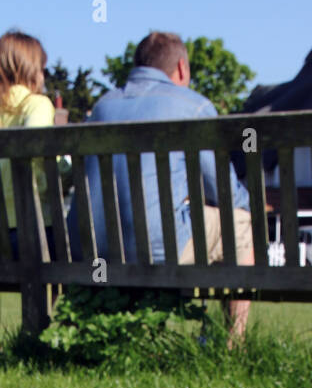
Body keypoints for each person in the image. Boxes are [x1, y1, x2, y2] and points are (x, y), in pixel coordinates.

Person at [68, 31, 254, 339]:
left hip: (92, 246)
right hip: (156, 246)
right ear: (181, 68)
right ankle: (235, 343)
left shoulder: (102, 107)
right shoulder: (192, 107)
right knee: (239, 221)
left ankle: (132, 334)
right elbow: (224, 192)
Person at [0, 31, 57, 261]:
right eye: (42, 69)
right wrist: (63, 169)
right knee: (85, 250)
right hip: (33, 239)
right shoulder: (37, 105)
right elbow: (35, 147)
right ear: (32, 69)